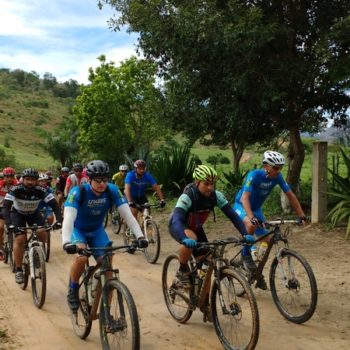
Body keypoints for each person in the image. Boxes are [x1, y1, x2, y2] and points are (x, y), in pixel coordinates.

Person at [61, 160, 149, 312]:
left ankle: (106, 315)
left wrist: (140, 237)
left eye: (105, 179)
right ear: (89, 179)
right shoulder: (78, 192)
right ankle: (73, 289)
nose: (102, 183)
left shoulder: (112, 190)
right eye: (98, 180)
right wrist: (66, 242)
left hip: (97, 230)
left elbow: (128, 216)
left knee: (108, 269)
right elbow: (68, 219)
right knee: (81, 257)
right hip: (78, 229)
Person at [168, 165, 248, 322]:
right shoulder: (188, 196)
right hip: (179, 227)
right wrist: (185, 239)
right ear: (197, 182)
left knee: (207, 266)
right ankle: (182, 269)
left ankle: (204, 303)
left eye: (212, 183)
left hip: (196, 229)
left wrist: (245, 233)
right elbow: (177, 219)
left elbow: (232, 215)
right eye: (206, 183)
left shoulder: (216, 196)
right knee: (192, 238)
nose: (210, 187)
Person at [233, 150, 307, 289]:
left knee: (267, 241)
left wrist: (301, 215)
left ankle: (256, 272)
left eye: (281, 168)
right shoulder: (254, 175)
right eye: (276, 168)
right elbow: (245, 198)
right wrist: (251, 217)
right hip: (241, 205)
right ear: (266, 166)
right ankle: (245, 256)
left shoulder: (277, 177)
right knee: (251, 225)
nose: (279, 171)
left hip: (256, 209)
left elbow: (290, 195)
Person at [2, 168, 62, 284]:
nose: (30, 182)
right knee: (20, 239)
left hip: (33, 213)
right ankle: (19, 269)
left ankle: (35, 252)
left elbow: (54, 205)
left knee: (42, 233)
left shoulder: (41, 190)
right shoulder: (15, 190)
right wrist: (9, 224)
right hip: (17, 214)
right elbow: (5, 208)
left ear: (36, 181)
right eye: (27, 179)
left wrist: (59, 219)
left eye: (33, 180)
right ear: (22, 180)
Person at [0, 167, 18, 260]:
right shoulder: (0, 184)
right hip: (1, 207)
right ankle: (0, 247)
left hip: (13, 207)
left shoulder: (17, 184)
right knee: (1, 227)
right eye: (7, 176)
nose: (9, 178)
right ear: (4, 177)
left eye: (11, 176)